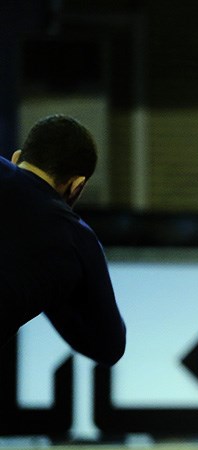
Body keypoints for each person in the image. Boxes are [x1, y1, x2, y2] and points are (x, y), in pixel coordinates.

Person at [0, 114, 126, 366]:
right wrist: (54, 285)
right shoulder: (78, 241)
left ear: (16, 158)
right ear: (77, 186)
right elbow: (108, 347)